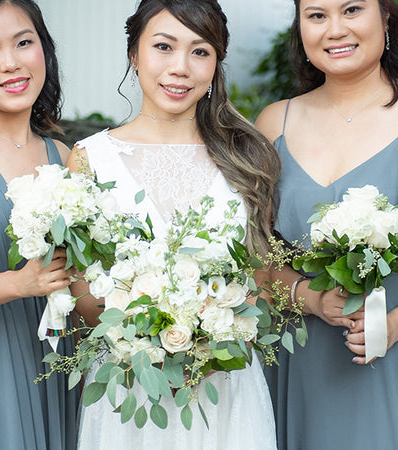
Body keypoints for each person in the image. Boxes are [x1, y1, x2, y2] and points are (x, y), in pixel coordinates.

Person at [67, 0, 282, 448]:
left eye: (200, 51)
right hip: (128, 388)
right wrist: (150, 331)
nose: (180, 67)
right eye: (163, 46)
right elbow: (84, 299)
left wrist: (210, 327)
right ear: (134, 54)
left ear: (217, 62)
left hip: (225, 388)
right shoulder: (89, 159)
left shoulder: (247, 158)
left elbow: (260, 283)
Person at [255, 0, 398, 448]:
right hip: (299, 351)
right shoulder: (275, 122)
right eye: (316, 15)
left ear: (387, 16)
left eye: (352, 9)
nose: (334, 29)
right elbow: (250, 254)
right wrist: (309, 298)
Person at [0, 1, 78, 448]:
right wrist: (20, 283)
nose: (11, 63)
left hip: (58, 370)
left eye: (24, 42)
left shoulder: (62, 157)